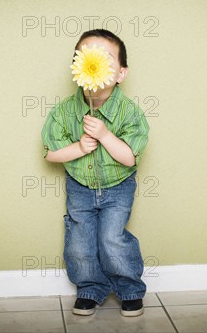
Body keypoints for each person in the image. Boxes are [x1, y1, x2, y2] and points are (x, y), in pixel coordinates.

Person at [41, 29, 150, 317]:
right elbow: (50, 153)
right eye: (88, 57)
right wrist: (79, 147)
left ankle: (129, 288)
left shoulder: (129, 113)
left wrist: (104, 134)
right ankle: (90, 288)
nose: (95, 64)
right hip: (80, 186)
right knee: (80, 240)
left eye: (105, 59)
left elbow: (129, 158)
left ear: (121, 73)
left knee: (111, 238)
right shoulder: (64, 112)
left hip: (118, 186)